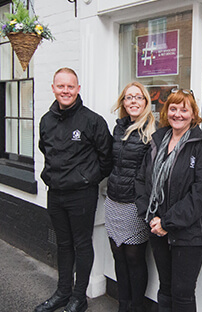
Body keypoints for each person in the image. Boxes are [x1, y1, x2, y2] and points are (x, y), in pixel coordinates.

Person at [36, 68, 113, 312]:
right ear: (54, 88)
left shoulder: (92, 120)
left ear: (78, 89)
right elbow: (45, 149)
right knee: (63, 244)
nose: (66, 91)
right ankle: (63, 293)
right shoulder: (46, 120)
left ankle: (79, 298)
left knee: (81, 244)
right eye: (61, 86)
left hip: (81, 194)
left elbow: (107, 158)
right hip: (55, 193)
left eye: (71, 86)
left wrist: (86, 179)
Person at [135, 88, 202, 312]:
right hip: (157, 228)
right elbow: (142, 181)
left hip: (191, 232)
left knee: (182, 293)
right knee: (165, 288)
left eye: (184, 109)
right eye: (173, 108)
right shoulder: (157, 141)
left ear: (193, 114)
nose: (178, 114)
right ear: (166, 111)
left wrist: (167, 223)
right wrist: (151, 217)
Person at [105, 82, 156, 312]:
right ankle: (122, 305)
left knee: (135, 258)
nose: (133, 101)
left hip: (135, 206)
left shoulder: (154, 131)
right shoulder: (119, 128)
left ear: (146, 102)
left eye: (138, 97)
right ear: (123, 103)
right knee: (118, 255)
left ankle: (136, 307)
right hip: (113, 201)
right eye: (128, 97)